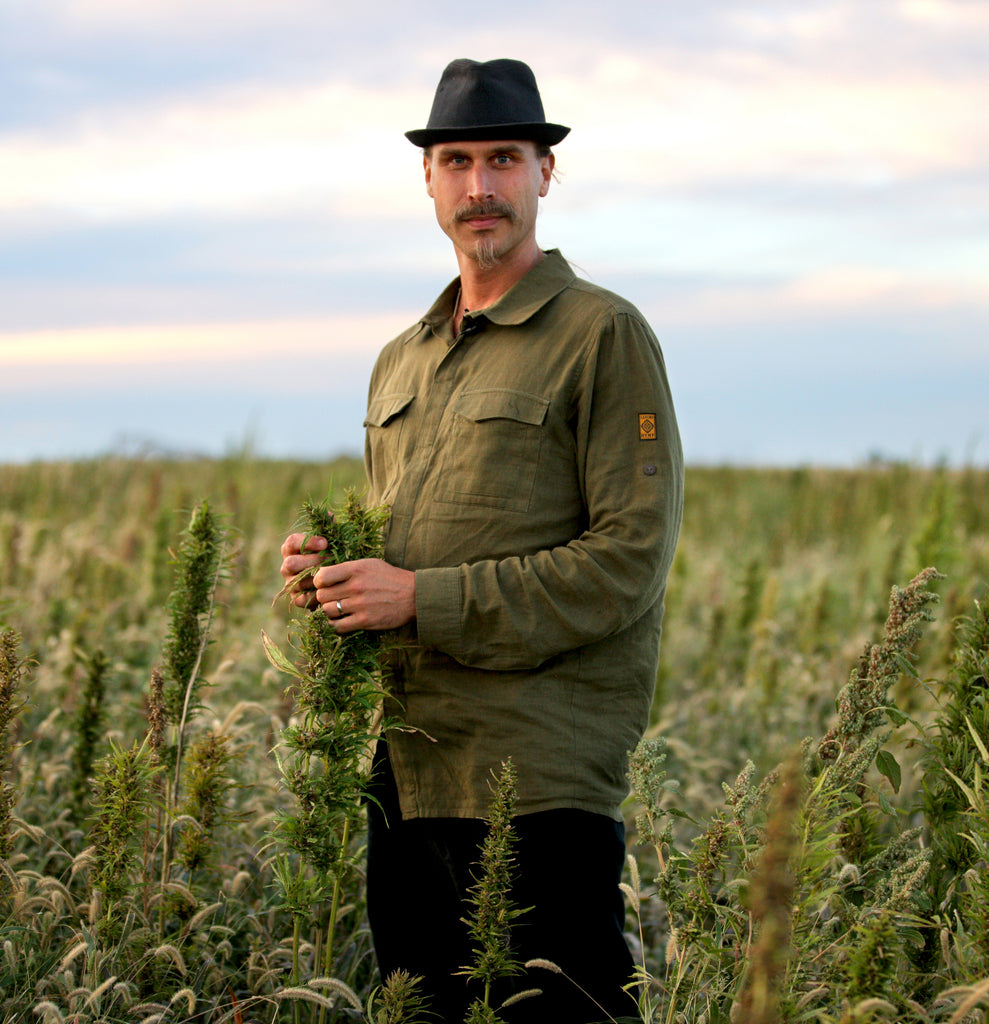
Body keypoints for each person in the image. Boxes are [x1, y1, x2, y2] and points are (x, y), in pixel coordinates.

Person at [280, 58, 683, 1023]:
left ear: (545, 173)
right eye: (455, 161)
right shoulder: (400, 357)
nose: (478, 186)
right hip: (410, 767)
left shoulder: (601, 333)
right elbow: (402, 545)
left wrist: (420, 598)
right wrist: (331, 578)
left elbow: (626, 561)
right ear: (427, 181)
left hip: (536, 775)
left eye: (503, 158)